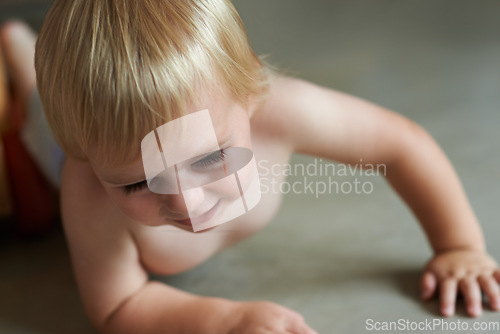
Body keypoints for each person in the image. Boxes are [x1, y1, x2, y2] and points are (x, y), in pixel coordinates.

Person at [1, 0, 499, 333]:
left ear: (252, 96)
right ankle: (21, 54)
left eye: (210, 158)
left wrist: (459, 245)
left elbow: (400, 146)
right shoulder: (86, 184)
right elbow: (116, 306)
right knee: (35, 108)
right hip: (56, 143)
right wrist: (221, 320)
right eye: (136, 182)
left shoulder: (282, 109)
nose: (185, 202)